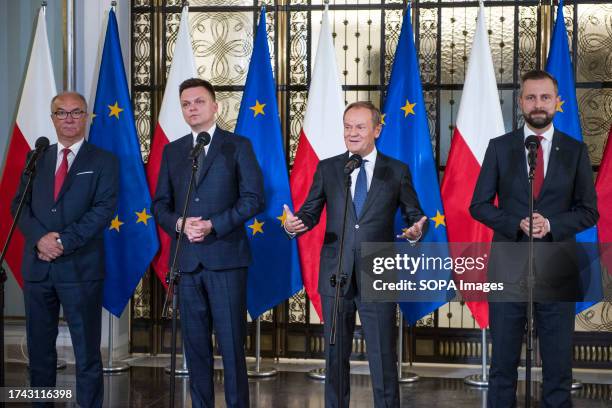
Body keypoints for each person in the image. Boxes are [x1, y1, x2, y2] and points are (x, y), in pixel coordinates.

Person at [284, 101, 427, 408]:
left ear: (377, 129)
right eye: (347, 126)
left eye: (360, 127)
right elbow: (310, 212)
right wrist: (295, 225)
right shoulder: (329, 168)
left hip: (379, 271)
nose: (352, 133)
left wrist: (416, 233)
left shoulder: (396, 170)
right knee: (335, 356)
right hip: (336, 273)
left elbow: (415, 216)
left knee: (383, 356)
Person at [470, 70, 599, 407]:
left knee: (558, 367)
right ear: (521, 102)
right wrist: (518, 223)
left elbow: (589, 211)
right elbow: (478, 205)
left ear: (557, 102)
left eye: (545, 97)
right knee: (502, 367)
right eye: (531, 97)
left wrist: (551, 224)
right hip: (508, 268)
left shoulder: (575, 150)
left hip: (557, 268)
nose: (538, 104)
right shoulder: (499, 148)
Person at [152, 77, 264, 408]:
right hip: (186, 263)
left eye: (199, 102)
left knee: (231, 347)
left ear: (215, 106)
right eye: (186, 104)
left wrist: (214, 224)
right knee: (195, 347)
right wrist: (179, 223)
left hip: (226, 260)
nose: (192, 109)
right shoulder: (173, 151)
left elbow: (253, 198)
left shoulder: (237, 146)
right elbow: (160, 205)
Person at [11, 91, 119, 408]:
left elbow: (103, 209)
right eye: (62, 113)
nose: (69, 118)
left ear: (86, 117)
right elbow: (20, 205)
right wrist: (40, 239)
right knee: (40, 353)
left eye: (76, 112)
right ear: (53, 118)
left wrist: (62, 242)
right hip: (38, 269)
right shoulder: (36, 158)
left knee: (86, 354)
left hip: (81, 269)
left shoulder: (104, 161)